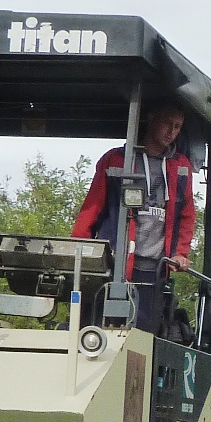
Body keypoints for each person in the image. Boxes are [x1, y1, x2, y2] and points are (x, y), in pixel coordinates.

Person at [72, 103, 196, 336]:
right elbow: (92, 207)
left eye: (177, 127)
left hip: (155, 270)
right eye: (167, 124)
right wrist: (78, 249)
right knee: (97, 328)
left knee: (140, 337)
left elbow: (187, 214)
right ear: (151, 119)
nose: (172, 132)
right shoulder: (115, 160)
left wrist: (181, 253)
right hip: (113, 264)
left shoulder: (181, 166)